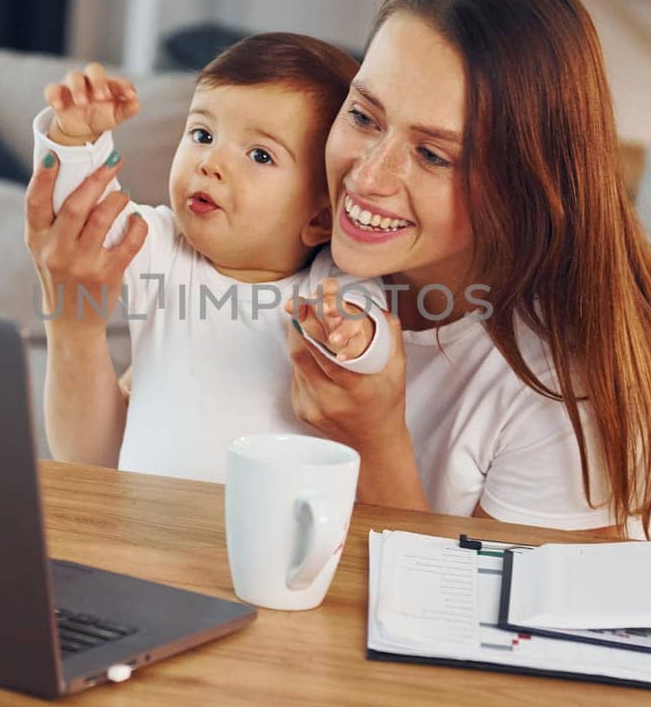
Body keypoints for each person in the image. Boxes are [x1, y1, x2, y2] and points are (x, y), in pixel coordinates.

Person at [282, 0, 651, 539]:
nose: (367, 177)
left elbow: (484, 621)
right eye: (364, 117)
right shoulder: (301, 251)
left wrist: (374, 439)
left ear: (525, 186)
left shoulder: (571, 387)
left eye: (434, 155)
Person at [27, 33, 389, 482]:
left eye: (260, 154)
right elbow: (81, 220)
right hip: (145, 531)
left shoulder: (329, 283)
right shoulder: (161, 245)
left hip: (267, 535)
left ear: (320, 218)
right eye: (202, 134)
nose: (210, 162)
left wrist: (354, 337)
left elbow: (375, 347)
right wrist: (77, 138)